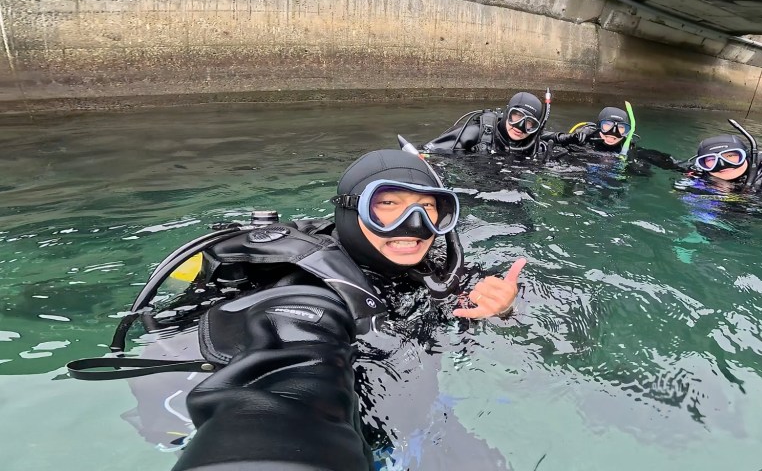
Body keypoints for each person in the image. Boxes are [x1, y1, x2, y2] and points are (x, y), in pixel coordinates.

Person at [68, 147, 524, 470]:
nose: (414, 225)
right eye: (388, 205)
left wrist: (501, 308)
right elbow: (290, 374)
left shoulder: (428, 265)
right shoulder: (305, 289)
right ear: (350, 211)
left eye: (428, 208)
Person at [544, 105, 686, 174]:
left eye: (621, 128)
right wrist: (565, 138)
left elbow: (663, 160)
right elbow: (538, 136)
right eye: (607, 125)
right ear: (598, 126)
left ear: (627, 132)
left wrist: (686, 168)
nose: (613, 133)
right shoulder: (582, 142)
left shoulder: (628, 150)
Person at [422, 91, 551, 159]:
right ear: (507, 113)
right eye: (517, 116)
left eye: (529, 123)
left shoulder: (533, 147)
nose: (520, 127)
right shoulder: (475, 134)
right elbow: (427, 152)